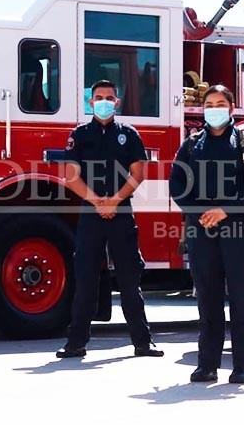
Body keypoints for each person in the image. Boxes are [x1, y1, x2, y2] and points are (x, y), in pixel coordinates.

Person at [56, 80, 164, 359]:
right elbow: (71, 177)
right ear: (90, 102)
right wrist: (98, 202)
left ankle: (143, 343)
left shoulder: (129, 135)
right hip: (90, 214)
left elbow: (138, 174)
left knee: (129, 280)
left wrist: (115, 200)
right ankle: (75, 343)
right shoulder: (79, 135)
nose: (104, 102)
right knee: (85, 280)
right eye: (99, 97)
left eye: (109, 98)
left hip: (121, 213)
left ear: (116, 102)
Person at [169, 85, 244, 384]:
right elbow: (177, 184)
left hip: (238, 228)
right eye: (209, 104)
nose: (214, 109)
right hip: (201, 227)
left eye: (220, 103)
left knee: (241, 296)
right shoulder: (191, 145)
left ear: (232, 107)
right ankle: (207, 365)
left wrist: (225, 210)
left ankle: (243, 367)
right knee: (207, 298)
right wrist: (202, 212)